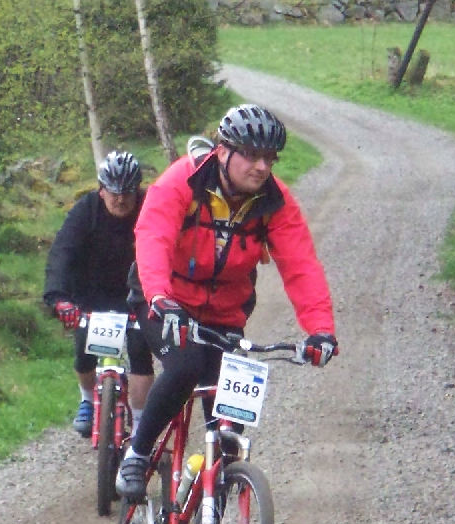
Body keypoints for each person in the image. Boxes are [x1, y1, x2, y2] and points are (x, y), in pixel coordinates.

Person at [116, 104, 339, 499]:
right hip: (164, 301)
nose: (262, 167)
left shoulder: (274, 201)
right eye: (252, 155)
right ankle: (137, 452)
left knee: (228, 441)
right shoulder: (181, 181)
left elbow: (301, 265)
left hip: (224, 314)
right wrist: (160, 297)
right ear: (223, 152)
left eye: (269, 158)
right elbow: (153, 239)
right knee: (185, 365)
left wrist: (320, 329)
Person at [43, 151, 154, 437]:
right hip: (92, 293)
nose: (121, 200)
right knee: (84, 346)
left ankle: (141, 423)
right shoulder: (85, 210)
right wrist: (58, 297)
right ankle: (86, 399)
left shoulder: (149, 208)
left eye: (128, 193)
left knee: (141, 351)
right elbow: (62, 253)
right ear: (101, 189)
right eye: (114, 192)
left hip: (137, 294)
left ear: (138, 190)